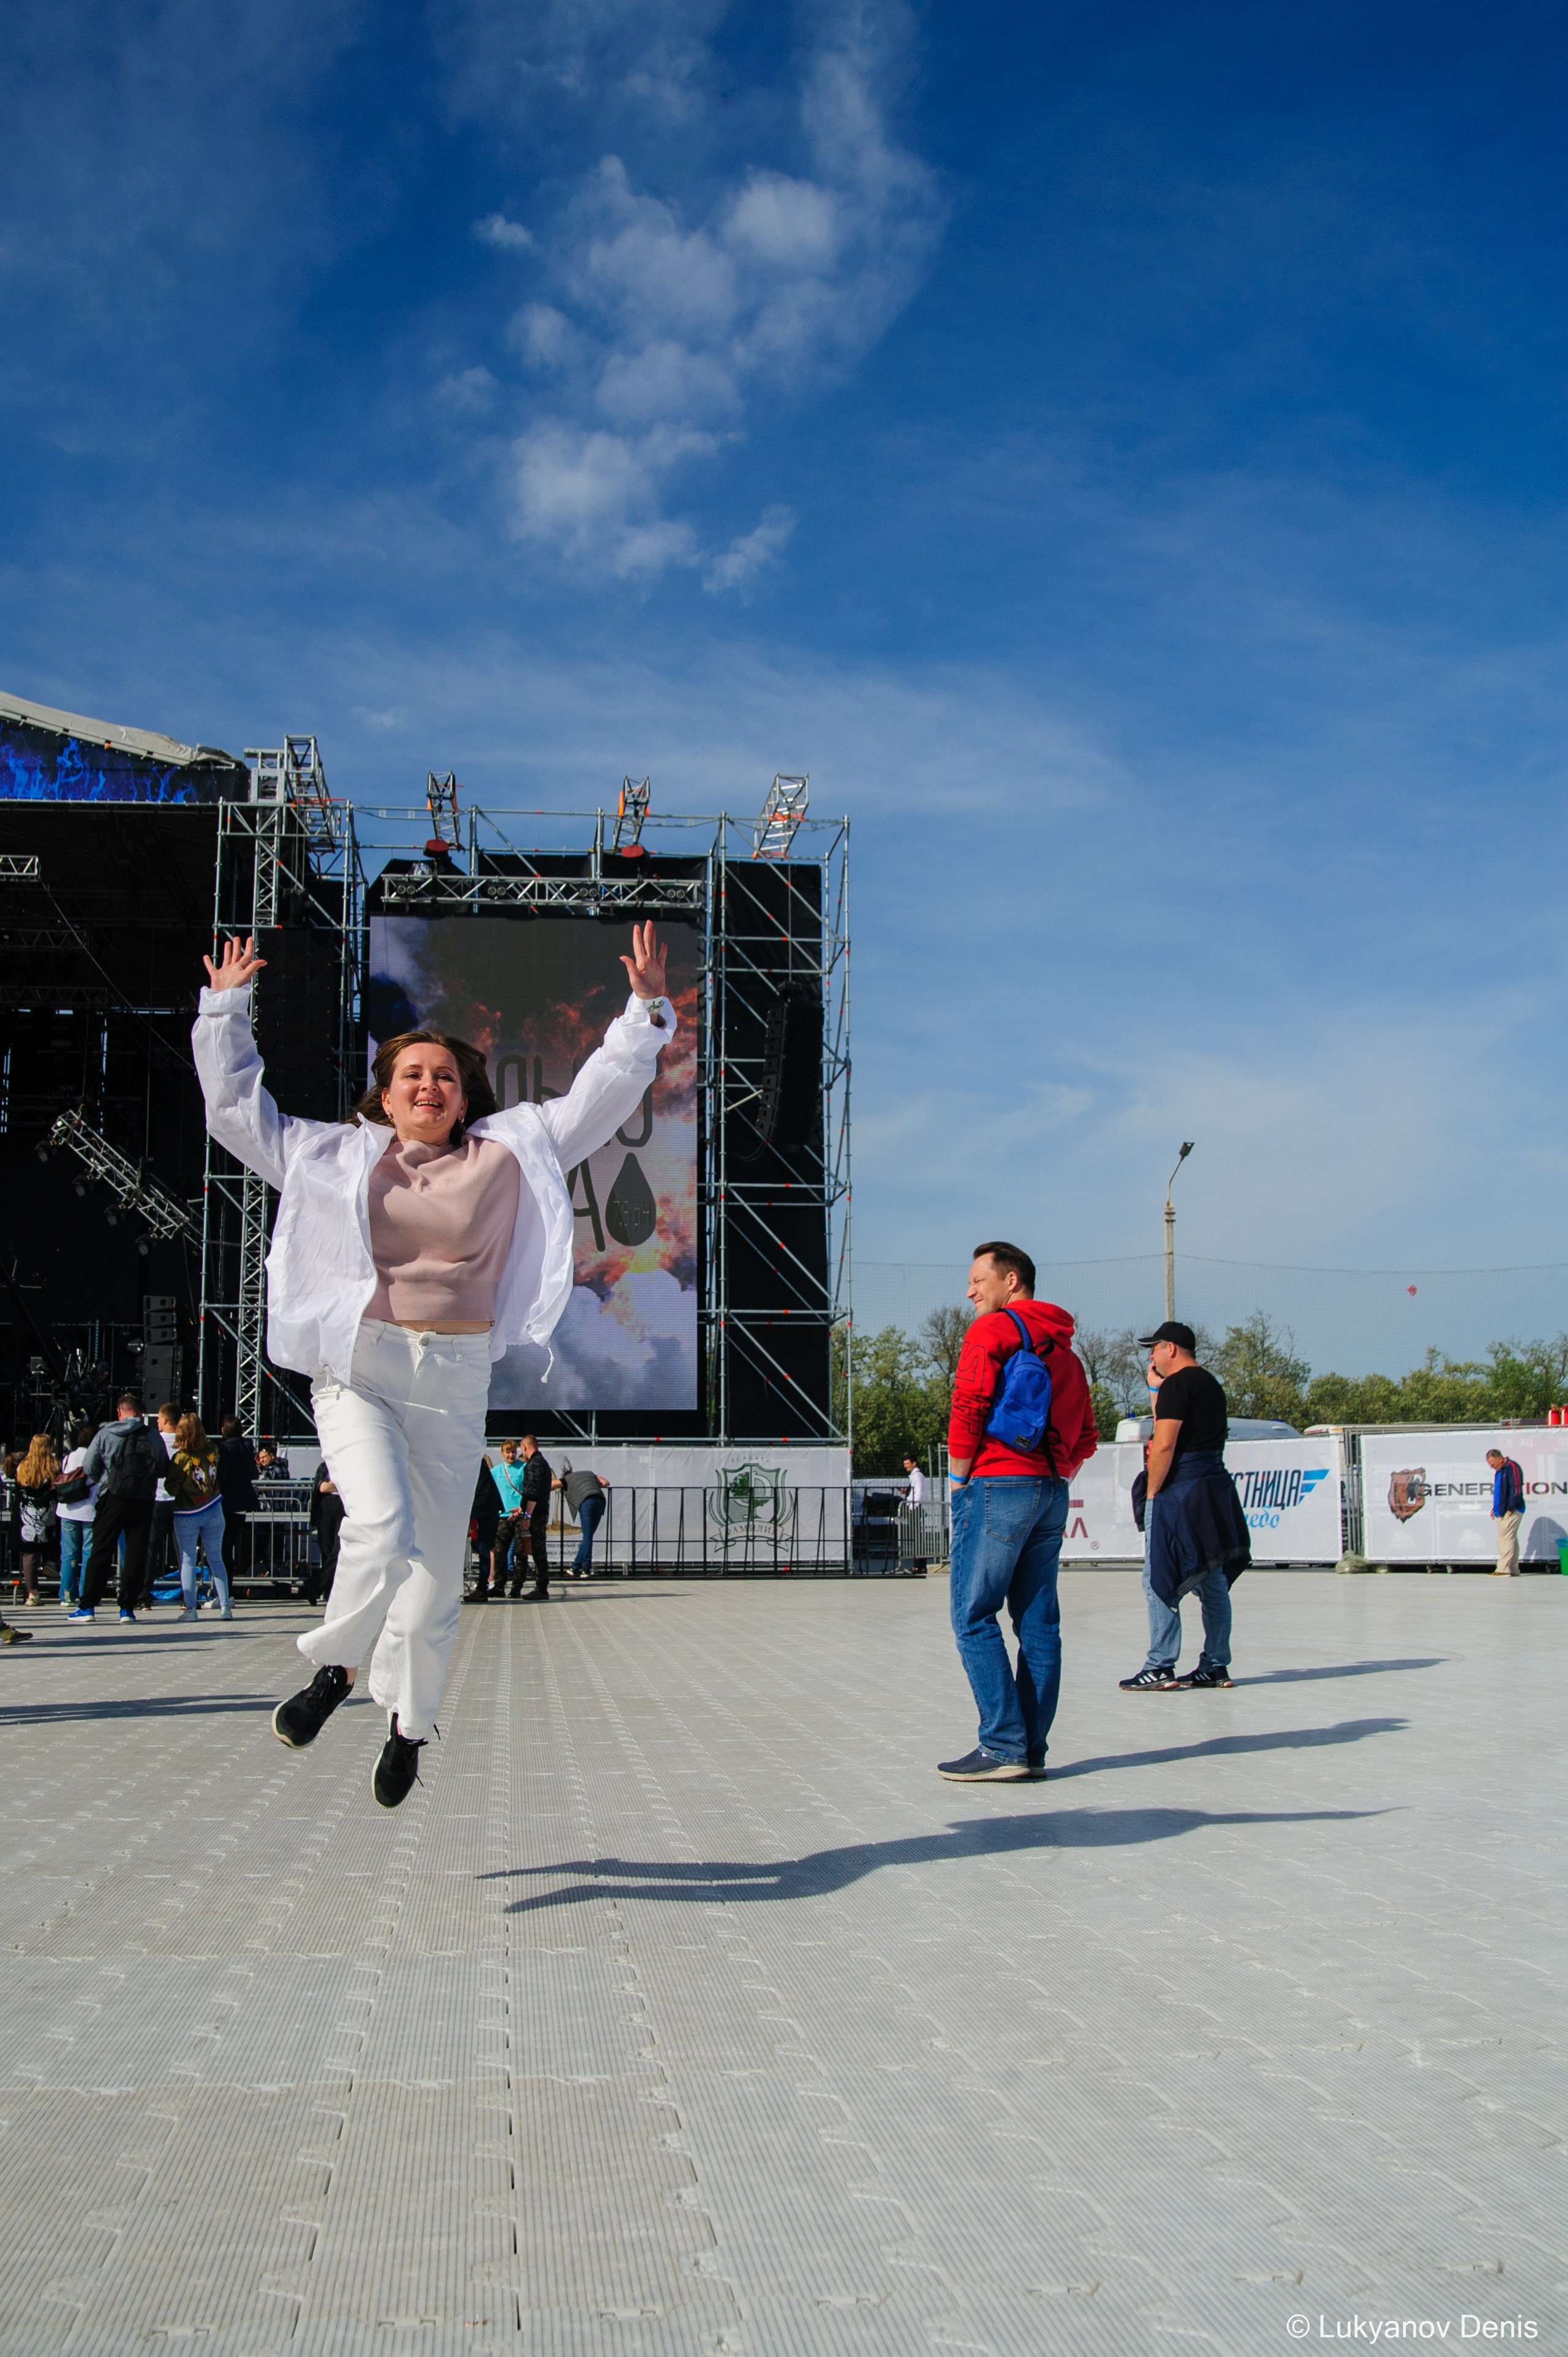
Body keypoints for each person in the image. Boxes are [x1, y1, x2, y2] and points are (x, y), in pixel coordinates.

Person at [194, 921, 674, 1806]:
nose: (429, 1084)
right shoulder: (328, 1153)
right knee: (377, 1525)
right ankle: (335, 1671)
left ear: (464, 1095)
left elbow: (600, 1096)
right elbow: (236, 1111)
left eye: (445, 1075)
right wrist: (225, 1009)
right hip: (358, 1368)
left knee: (432, 1570)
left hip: (453, 1377)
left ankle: (409, 1723)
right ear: (384, 1094)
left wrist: (644, 1010)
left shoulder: (509, 1148)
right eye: (411, 1072)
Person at [939, 1242, 1100, 1782]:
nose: (969, 1291)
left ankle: (1002, 1744)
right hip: (1050, 1490)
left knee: (973, 1614)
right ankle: (1031, 1747)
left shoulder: (992, 1332)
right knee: (1039, 1623)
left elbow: (970, 1402)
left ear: (1012, 1281)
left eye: (977, 1280)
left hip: (996, 1483)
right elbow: (1089, 1435)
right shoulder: (1069, 1354)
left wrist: (960, 1476)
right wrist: (1056, 1469)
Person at [1119, 1320, 1251, 1692]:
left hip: (1181, 1490)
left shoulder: (1178, 1385)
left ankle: (1160, 1665)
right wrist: (1154, 1389)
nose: (1152, 1355)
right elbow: (1172, 1420)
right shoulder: (1209, 1383)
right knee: (1212, 1580)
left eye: (1155, 1348)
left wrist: (1153, 1494)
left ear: (1172, 1349)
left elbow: (1163, 1443)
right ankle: (1215, 1665)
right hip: (1213, 1487)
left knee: (1157, 1578)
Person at [72, 1394, 163, 1623]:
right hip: (143, 1497)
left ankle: (88, 1606)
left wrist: (107, 1478)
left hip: (113, 1495)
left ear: (119, 1412)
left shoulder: (106, 1433)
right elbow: (162, 1468)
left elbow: (89, 1467)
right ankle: (127, 1608)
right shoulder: (152, 1436)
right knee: (136, 1552)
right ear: (141, 1414)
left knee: (101, 1549)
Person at [164, 1413, 230, 1619]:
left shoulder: (180, 1458)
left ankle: (191, 1610)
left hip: (187, 1512)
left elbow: (171, 1488)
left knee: (188, 1561)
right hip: (214, 1508)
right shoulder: (213, 1450)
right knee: (216, 1558)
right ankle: (225, 1607)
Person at [55, 1421, 99, 1610]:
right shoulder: (97, 1458)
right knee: (89, 1555)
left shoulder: (68, 1458)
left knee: (69, 1554)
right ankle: (85, 1594)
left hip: (68, 1510)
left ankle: (66, 1594)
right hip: (91, 1510)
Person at [13, 1434, 60, 1605]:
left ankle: (33, 1594)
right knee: (54, 1543)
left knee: (30, 1554)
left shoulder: (23, 1467)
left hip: (27, 1516)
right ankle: (50, 1563)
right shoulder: (54, 1466)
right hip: (49, 1513)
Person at [142, 1402, 181, 1611]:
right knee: (183, 1551)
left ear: (165, 1420)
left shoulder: (153, 1441)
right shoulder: (185, 1442)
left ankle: (143, 1595)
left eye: (158, 1418)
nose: (157, 1422)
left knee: (150, 1549)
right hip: (179, 1501)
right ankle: (188, 1597)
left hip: (157, 1499)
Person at [216, 1417, 258, 1592]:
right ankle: (227, 1591)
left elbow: (222, 1476)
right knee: (228, 1547)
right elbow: (253, 1473)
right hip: (243, 1503)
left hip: (227, 1503)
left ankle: (225, 1592)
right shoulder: (248, 1449)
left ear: (224, 1430)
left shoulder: (225, 1449)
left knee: (222, 1550)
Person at [512, 1434, 554, 1597]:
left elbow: (533, 1494)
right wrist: (523, 1509)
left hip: (536, 1515)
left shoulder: (534, 1464)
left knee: (536, 1550)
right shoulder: (542, 1463)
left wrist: (527, 1516)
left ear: (524, 1448)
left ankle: (541, 1588)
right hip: (540, 1512)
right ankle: (541, 1586)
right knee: (537, 1550)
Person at [554, 1460, 609, 1578]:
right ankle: (580, 1567)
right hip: (600, 1501)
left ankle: (583, 1568)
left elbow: (552, 1485)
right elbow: (605, 1483)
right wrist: (591, 1485)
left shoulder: (567, 1479)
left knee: (587, 1536)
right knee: (588, 1536)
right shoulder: (590, 1474)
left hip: (586, 1502)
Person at [489, 1439, 528, 1590]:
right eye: (508, 1452)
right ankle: (499, 1585)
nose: (511, 1455)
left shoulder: (524, 1468)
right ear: (502, 1454)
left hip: (519, 1515)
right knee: (499, 1552)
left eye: (513, 1452)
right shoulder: (496, 1472)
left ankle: (517, 1586)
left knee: (521, 1552)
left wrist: (524, 1510)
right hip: (503, 1516)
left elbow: (529, 1490)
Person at [304, 1462, 344, 1606]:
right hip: (327, 1505)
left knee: (339, 1550)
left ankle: (315, 1585)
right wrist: (343, 1485)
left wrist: (336, 1485)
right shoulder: (325, 1466)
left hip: (344, 1505)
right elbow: (323, 1487)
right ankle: (327, 1589)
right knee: (327, 1550)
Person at [466, 1457, 503, 1602]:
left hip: (483, 1507)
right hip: (488, 1506)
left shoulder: (472, 1461)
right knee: (484, 1547)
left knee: (483, 1547)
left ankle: (482, 1588)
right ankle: (483, 1587)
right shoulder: (477, 1461)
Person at [1486, 1447, 1526, 1577]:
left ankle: (1503, 1569)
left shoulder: (1512, 1468)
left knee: (1504, 1538)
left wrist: (1509, 1509)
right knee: (1511, 1538)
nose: (1492, 1467)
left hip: (1512, 1510)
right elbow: (1499, 1492)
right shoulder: (1500, 1470)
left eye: (1493, 1464)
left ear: (1501, 1459)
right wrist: (1495, 1509)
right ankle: (1513, 1569)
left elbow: (1517, 1490)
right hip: (1502, 1511)